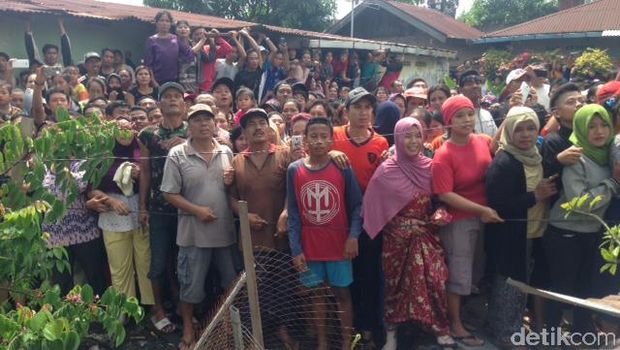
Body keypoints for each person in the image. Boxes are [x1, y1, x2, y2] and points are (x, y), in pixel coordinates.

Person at [363, 117, 454, 350]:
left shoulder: (431, 166)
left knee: (435, 280)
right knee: (395, 286)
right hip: (396, 240)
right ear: (398, 138)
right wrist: (400, 226)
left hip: (426, 235)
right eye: (407, 136)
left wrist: (441, 214)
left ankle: (438, 326)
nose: (413, 141)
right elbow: (373, 207)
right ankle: (392, 334)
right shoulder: (386, 170)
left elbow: (440, 199)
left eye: (417, 135)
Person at [161, 104, 237, 349]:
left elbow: (234, 191)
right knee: (190, 287)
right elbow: (169, 193)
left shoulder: (226, 152)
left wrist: (231, 182)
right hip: (193, 234)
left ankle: (225, 326)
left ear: (215, 124)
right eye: (197, 120)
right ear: (188, 125)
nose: (203, 124)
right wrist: (197, 211)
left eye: (208, 119)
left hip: (225, 234)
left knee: (230, 284)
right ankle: (188, 329)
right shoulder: (178, 154)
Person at [431, 95, 503, 347]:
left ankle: (466, 317)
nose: (466, 120)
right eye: (459, 116)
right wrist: (481, 209)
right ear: (449, 121)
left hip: (485, 217)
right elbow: (445, 194)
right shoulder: (443, 154)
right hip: (460, 221)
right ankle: (455, 325)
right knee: (458, 274)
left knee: (475, 272)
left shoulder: (483, 142)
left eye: (470, 114)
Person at [287, 117, 362, 350]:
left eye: (323, 136)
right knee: (316, 294)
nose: (318, 141)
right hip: (310, 245)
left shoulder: (343, 167)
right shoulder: (294, 170)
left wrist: (353, 236)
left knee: (342, 294)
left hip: (339, 243)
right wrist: (296, 249)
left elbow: (357, 205)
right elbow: (293, 211)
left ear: (331, 140)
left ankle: (345, 342)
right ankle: (321, 342)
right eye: (313, 136)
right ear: (305, 139)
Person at [485, 107, 557, 346]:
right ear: (508, 132)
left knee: (523, 286)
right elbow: (499, 205)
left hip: (536, 231)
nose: (526, 135)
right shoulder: (504, 162)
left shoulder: (537, 155)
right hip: (511, 235)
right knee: (510, 286)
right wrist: (534, 196)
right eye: (519, 129)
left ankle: (515, 328)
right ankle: (505, 334)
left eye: (531, 128)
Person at [545, 104, 619, 332]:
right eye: (592, 126)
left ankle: (581, 334)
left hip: (592, 234)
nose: (599, 132)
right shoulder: (576, 157)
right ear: (580, 128)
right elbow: (580, 203)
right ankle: (551, 337)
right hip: (567, 233)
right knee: (562, 290)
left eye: (604, 125)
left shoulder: (608, 155)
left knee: (586, 290)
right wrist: (612, 184)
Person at [331, 87, 388, 346]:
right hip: (336, 219)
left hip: (368, 221)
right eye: (358, 107)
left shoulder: (380, 143)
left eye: (368, 107)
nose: (363, 112)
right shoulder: (333, 136)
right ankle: (343, 328)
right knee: (342, 277)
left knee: (368, 274)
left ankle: (366, 327)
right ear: (346, 111)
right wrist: (330, 152)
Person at [138, 81, 188, 334]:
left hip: (187, 207)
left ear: (184, 103)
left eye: (176, 96)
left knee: (184, 260)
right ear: (159, 103)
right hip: (158, 207)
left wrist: (184, 143)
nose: (172, 100)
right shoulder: (148, 134)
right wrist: (142, 207)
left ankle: (183, 306)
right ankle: (158, 309)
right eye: (166, 96)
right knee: (158, 261)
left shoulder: (193, 131)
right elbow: (145, 172)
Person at [92, 118, 154, 308]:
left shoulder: (140, 148)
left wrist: (140, 173)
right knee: (119, 267)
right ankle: (125, 309)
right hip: (113, 214)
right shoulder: (101, 153)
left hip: (139, 209)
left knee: (146, 263)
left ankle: (150, 306)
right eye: (119, 129)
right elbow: (90, 188)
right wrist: (110, 201)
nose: (125, 133)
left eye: (128, 129)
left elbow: (150, 175)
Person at [144, 11, 195, 84]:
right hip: (157, 81)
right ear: (156, 23)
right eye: (161, 20)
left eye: (167, 21)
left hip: (175, 80)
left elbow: (189, 53)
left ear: (171, 24)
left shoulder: (175, 39)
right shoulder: (151, 40)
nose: (164, 23)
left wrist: (203, 40)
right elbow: (148, 64)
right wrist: (153, 81)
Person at [458, 70, 498, 137]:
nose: (475, 86)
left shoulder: (487, 114)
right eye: (469, 84)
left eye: (478, 82)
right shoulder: (458, 116)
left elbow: (495, 140)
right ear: (461, 90)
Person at [234, 30, 264, 98]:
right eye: (252, 59)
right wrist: (241, 37)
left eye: (256, 58)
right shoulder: (240, 74)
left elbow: (257, 49)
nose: (255, 61)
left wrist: (247, 35)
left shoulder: (259, 71)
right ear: (246, 61)